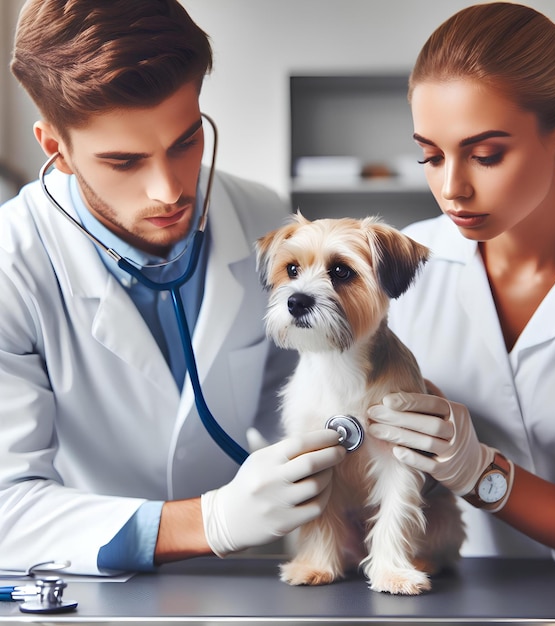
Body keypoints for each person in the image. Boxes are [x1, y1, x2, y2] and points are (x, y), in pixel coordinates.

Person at [0, 0, 345, 576]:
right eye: (124, 161)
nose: (168, 190)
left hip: (237, 581)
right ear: (54, 148)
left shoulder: (261, 216)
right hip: (83, 582)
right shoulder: (13, 265)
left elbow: (307, 397)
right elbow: (7, 511)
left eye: (185, 142)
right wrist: (208, 521)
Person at [368, 2, 555, 577]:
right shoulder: (410, 263)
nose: (452, 187)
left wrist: (480, 472)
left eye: (486, 155)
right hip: (443, 590)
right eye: (430, 156)